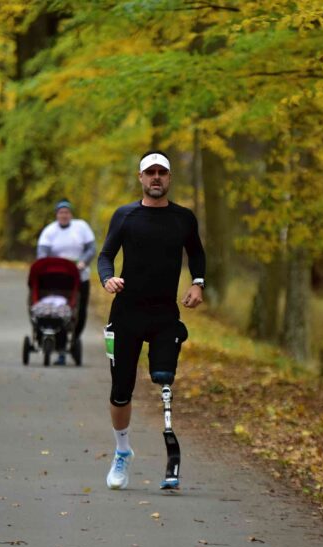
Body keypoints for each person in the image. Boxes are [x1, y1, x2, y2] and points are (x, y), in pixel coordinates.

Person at [97, 150, 206, 490]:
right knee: (121, 391)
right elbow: (105, 255)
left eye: (162, 172)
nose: (156, 177)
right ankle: (122, 451)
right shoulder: (125, 216)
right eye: (150, 172)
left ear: (169, 177)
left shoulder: (183, 218)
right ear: (141, 177)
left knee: (164, 378)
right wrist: (107, 279)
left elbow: (197, 253)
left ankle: (171, 458)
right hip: (126, 314)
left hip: (164, 315)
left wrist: (198, 283)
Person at [37, 199, 96, 365]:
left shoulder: (81, 227)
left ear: (71, 214)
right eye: (61, 212)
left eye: (67, 212)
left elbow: (91, 249)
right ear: (56, 215)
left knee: (79, 311)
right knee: (58, 310)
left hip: (79, 277)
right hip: (56, 279)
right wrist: (45, 266)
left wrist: (83, 261)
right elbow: (42, 254)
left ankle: (74, 339)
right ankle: (55, 342)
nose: (64, 215)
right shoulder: (49, 231)